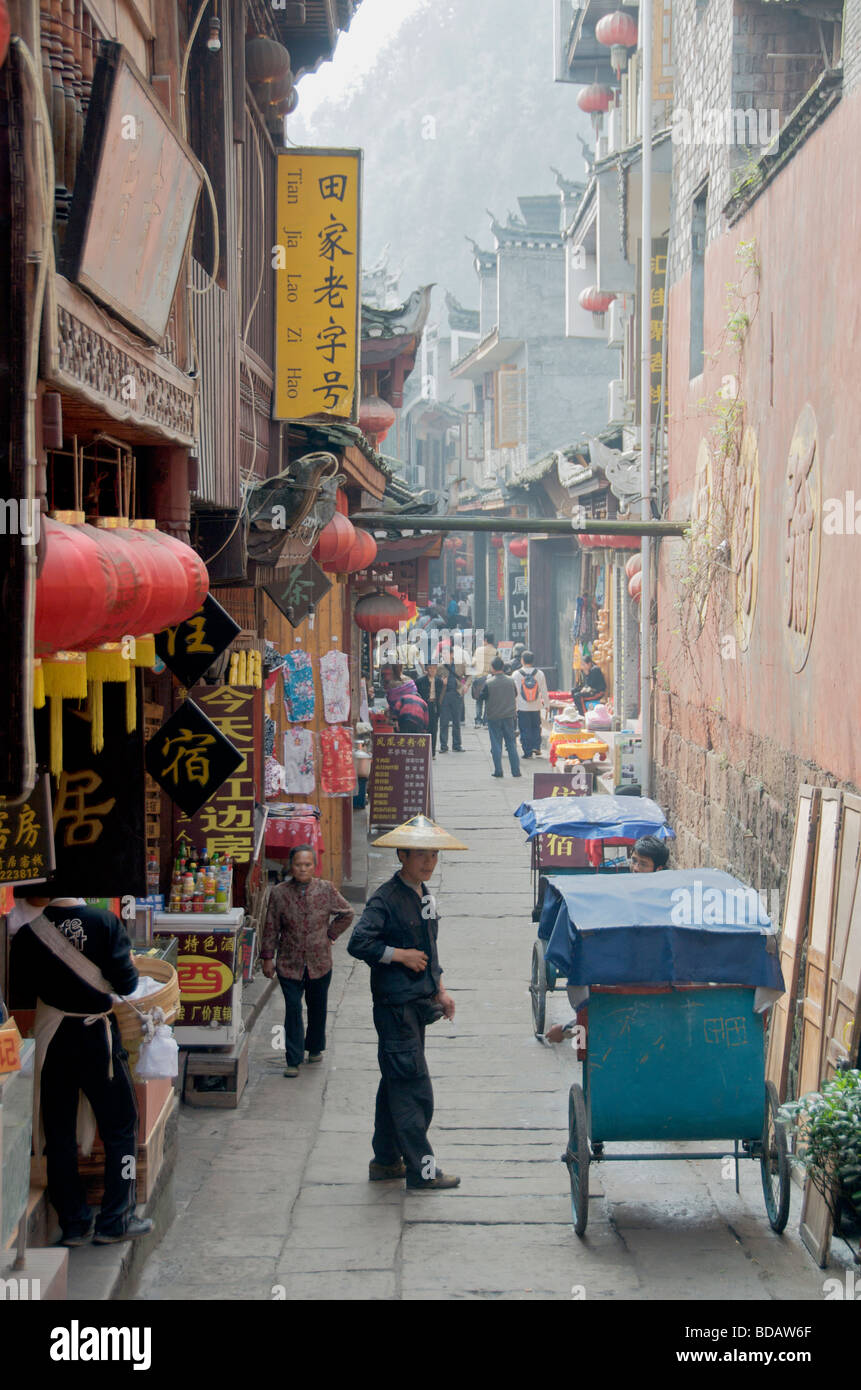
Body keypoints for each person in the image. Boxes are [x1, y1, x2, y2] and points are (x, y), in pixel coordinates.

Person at [9, 885, 151, 1247]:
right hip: (96, 1039)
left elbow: (22, 991)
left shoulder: (27, 934)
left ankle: (73, 1223)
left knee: (57, 1132)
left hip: (53, 1037)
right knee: (121, 1127)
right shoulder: (104, 921)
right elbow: (127, 983)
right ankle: (116, 1218)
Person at [347, 814, 467, 1190]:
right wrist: (398, 955)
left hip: (418, 1003)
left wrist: (440, 989)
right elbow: (359, 943)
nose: (428, 863)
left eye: (433, 856)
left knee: (395, 1082)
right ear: (402, 855)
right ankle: (422, 1170)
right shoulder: (385, 899)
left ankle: (385, 1161)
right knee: (414, 1089)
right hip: (395, 1007)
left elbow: (429, 947)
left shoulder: (425, 895)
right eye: (420, 856)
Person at [545, 834, 670, 1043]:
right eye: (634, 861)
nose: (636, 868)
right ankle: (576, 1032)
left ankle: (575, 1033)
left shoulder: (668, 897)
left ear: (658, 870)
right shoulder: (619, 890)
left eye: (643, 864)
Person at [261, 846, 354, 1075]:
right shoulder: (279, 893)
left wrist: (330, 934)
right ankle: (293, 1060)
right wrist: (267, 958)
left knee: (317, 1007)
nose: (303, 869)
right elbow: (271, 926)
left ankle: (314, 1047)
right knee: (292, 1009)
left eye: (307, 865)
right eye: (298, 865)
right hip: (288, 962)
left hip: (320, 962)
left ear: (314, 866)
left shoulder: (325, 889)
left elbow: (348, 912)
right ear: (291, 866)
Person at [484, 657, 522, 779]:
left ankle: (498, 771)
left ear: (493, 668)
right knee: (511, 743)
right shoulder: (510, 681)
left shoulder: (489, 683)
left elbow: (481, 696)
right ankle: (516, 771)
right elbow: (515, 694)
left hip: (494, 717)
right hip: (509, 716)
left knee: (496, 744)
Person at [512, 650, 549, 760]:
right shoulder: (540, 673)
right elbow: (544, 691)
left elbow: (514, 692)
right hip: (536, 706)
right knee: (536, 727)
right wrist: (547, 704)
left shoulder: (516, 674)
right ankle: (536, 747)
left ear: (522, 660)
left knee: (524, 729)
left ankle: (527, 751)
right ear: (533, 661)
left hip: (522, 707)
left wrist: (513, 706)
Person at [382, 664, 429, 734]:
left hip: (403, 717)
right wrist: (424, 730)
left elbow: (395, 708)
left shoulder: (392, 685)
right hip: (417, 721)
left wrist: (394, 720)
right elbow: (426, 719)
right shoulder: (410, 681)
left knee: (404, 737)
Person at [416, 664, 444, 757]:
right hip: (423, 706)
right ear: (427, 669)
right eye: (430, 668)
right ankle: (423, 751)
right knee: (424, 728)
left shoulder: (439, 681)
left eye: (434, 668)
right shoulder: (420, 681)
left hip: (434, 706)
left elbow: (441, 696)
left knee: (434, 728)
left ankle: (432, 752)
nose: (432, 670)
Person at [438, 662, 466, 753]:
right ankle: (443, 746)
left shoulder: (459, 665)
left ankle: (457, 745)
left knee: (456, 721)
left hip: (456, 694)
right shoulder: (440, 667)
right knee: (443, 722)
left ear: (452, 654)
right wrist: (441, 681)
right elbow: (435, 679)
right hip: (444, 695)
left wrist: (465, 685)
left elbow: (468, 675)